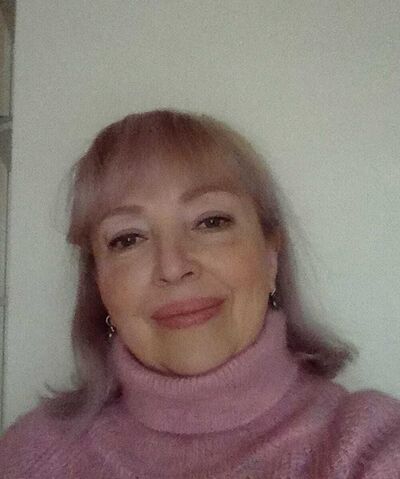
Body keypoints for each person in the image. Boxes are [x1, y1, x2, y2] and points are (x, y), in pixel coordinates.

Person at [1, 110, 399, 478]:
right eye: (128, 238)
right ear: (99, 285)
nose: (173, 267)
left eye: (210, 222)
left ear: (271, 256)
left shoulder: (370, 447)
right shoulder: (28, 456)